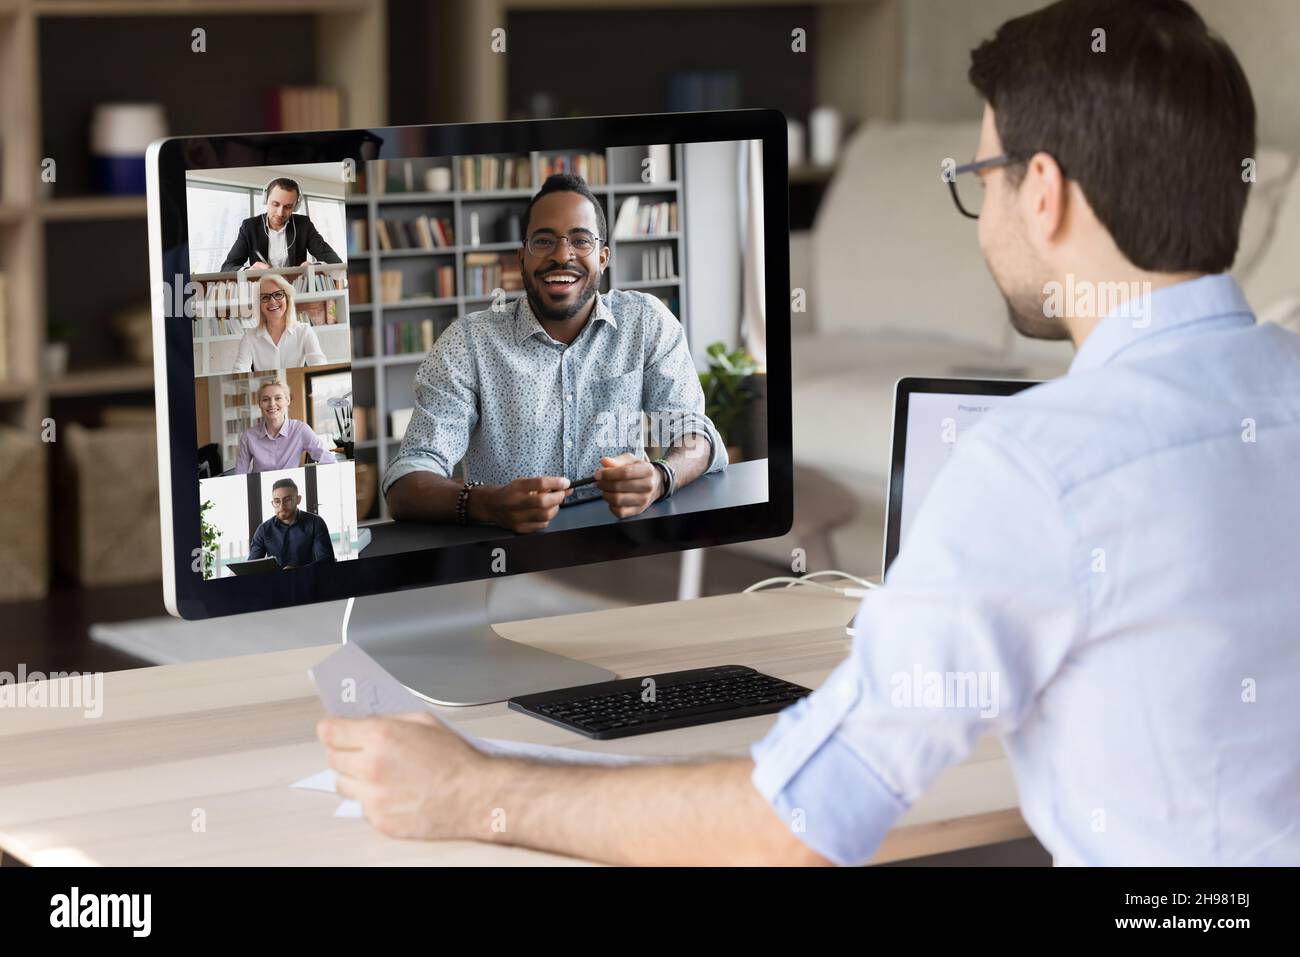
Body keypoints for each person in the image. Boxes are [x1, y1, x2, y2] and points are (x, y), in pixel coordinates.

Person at [318, 0, 1300, 865]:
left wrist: (467, 793)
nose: (980, 214)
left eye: (982, 178)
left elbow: (793, 826)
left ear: (1040, 191)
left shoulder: (1041, 467)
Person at [383, 173, 726, 532]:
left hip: (626, 544)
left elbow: (695, 434)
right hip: (509, 557)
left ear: (603, 257)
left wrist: (661, 477)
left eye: (580, 240)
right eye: (544, 241)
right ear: (521, 258)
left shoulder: (645, 321)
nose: (562, 256)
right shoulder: (469, 342)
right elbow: (405, 483)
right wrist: (490, 503)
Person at [220, 176, 342, 271]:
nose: (280, 213)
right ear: (265, 200)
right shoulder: (249, 227)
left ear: (296, 206)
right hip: (262, 289)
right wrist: (249, 270)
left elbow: (334, 260)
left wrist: (316, 267)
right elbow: (227, 267)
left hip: (296, 288)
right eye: (275, 204)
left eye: (288, 207)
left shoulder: (304, 225)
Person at [235, 380, 337, 474]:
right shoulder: (248, 436)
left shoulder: (300, 430)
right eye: (265, 399)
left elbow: (329, 461)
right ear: (259, 404)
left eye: (278, 398)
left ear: (287, 401)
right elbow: (240, 474)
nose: (272, 404)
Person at [231, 274, 327, 373]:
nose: (272, 301)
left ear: (287, 299)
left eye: (278, 294)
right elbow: (240, 368)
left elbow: (319, 365)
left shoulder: (304, 331)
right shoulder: (250, 337)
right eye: (265, 297)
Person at [248, 477, 336, 569]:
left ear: (298, 499)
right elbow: (252, 566)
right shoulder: (263, 529)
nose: (282, 506)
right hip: (276, 581)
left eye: (287, 500)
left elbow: (327, 561)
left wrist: (298, 571)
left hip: (309, 579)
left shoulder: (315, 523)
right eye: (277, 501)